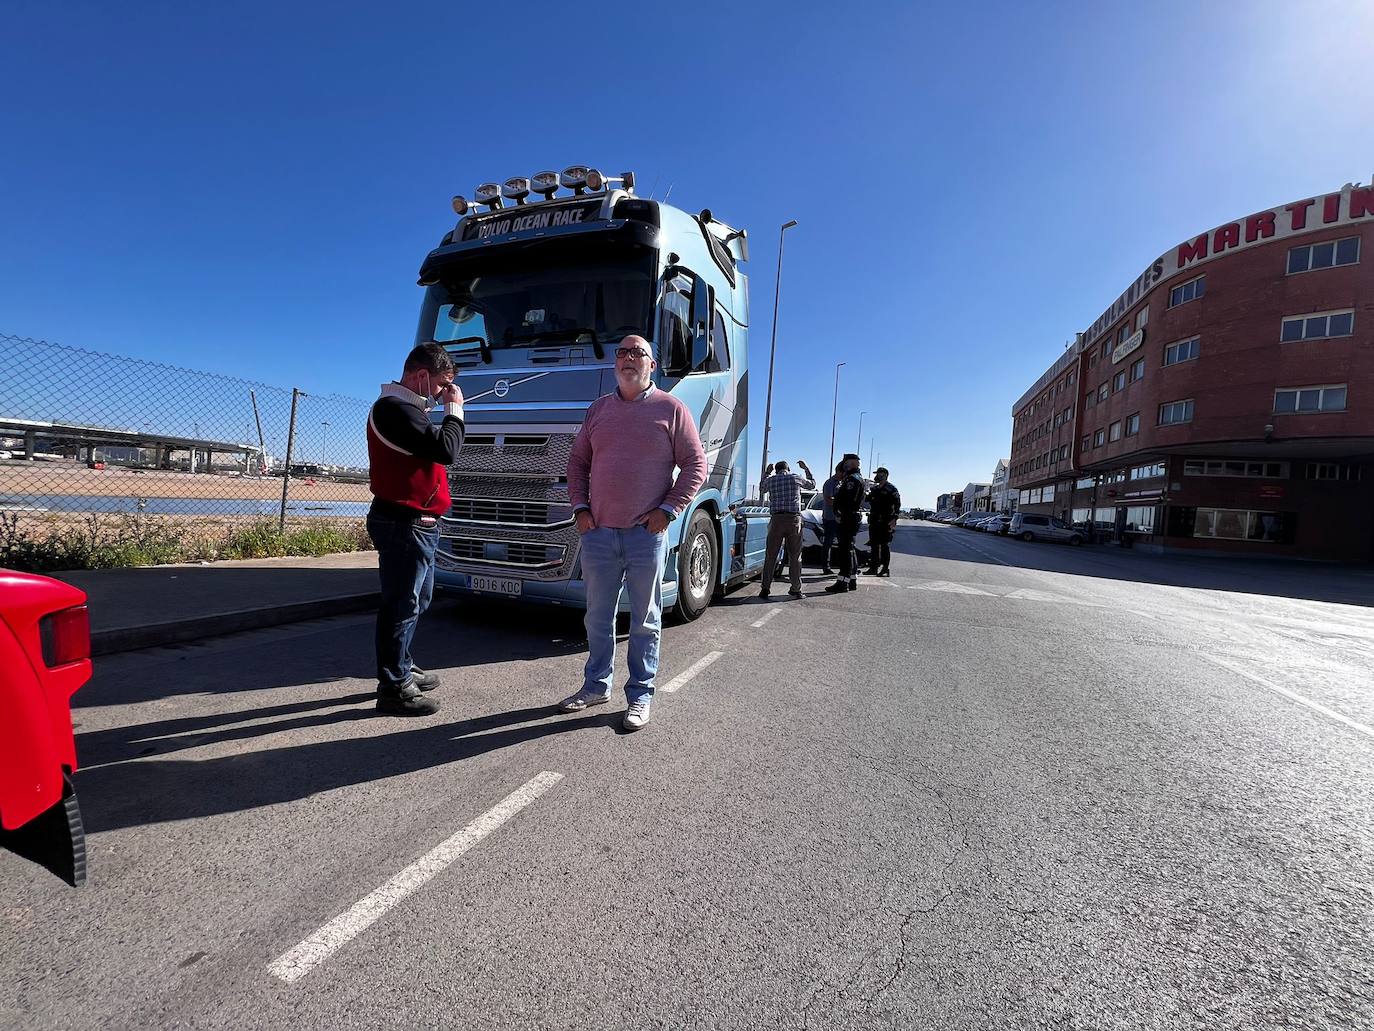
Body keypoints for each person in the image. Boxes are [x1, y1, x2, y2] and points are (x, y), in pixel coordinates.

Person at [558, 335, 707, 730]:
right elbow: (576, 464)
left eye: (638, 352)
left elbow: (695, 465)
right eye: (622, 352)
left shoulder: (671, 409)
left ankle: (640, 696)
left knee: (645, 620)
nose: (628, 358)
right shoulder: (598, 411)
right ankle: (595, 687)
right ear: (614, 364)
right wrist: (581, 509)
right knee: (597, 618)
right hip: (599, 533)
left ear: (652, 366)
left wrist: (668, 510)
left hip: (645, 536)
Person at [365, 342, 465, 716]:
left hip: (415, 522)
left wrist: (441, 405)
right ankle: (394, 688)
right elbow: (447, 450)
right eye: (441, 385)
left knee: (416, 600)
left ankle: (402, 667)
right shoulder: (395, 409)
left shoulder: (407, 409)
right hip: (403, 522)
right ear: (421, 376)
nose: (442, 394)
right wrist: (456, 410)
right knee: (401, 604)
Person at [758, 458, 815, 598]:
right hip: (793, 520)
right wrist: (806, 468)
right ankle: (796, 589)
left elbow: (761, 488)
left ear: (776, 470)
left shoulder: (771, 480)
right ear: (788, 469)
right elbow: (812, 485)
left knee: (771, 556)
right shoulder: (795, 478)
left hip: (776, 519)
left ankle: (765, 588)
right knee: (795, 556)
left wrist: (766, 473)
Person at [825, 454, 866, 594]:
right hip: (850, 517)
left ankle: (843, 582)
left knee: (845, 551)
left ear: (853, 463)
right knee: (850, 549)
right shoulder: (854, 478)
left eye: (846, 462)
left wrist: (840, 514)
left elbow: (847, 501)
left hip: (847, 518)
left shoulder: (852, 480)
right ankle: (851, 580)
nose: (845, 465)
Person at [863, 467, 901, 576]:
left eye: (878, 474)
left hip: (886, 520)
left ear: (884, 475)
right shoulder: (875, 489)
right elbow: (867, 500)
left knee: (884, 545)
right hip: (874, 520)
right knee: (874, 545)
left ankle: (885, 568)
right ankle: (873, 568)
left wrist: (894, 518)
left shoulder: (891, 489)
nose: (876, 476)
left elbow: (897, 504)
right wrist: (866, 491)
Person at [820, 461, 843, 574]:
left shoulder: (841, 483)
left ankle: (843, 566)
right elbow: (829, 500)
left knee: (843, 543)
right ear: (839, 471)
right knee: (828, 542)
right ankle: (826, 566)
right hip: (830, 517)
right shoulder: (830, 483)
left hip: (840, 518)